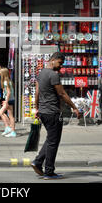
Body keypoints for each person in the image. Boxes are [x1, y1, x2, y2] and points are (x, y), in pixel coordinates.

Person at [30, 52, 80, 180]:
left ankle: (38, 162)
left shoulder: (41, 73)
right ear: (54, 60)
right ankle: (49, 172)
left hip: (43, 112)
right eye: (60, 63)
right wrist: (74, 107)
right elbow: (62, 94)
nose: (61, 66)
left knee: (51, 139)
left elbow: (36, 93)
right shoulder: (53, 75)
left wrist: (37, 108)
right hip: (53, 113)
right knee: (53, 142)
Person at [0, 68, 16, 137]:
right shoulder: (9, 81)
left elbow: (8, 92)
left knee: (2, 113)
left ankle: (10, 129)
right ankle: (10, 129)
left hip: (9, 100)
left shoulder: (5, 82)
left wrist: (6, 101)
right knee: (10, 115)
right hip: (10, 100)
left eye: (0, 74)